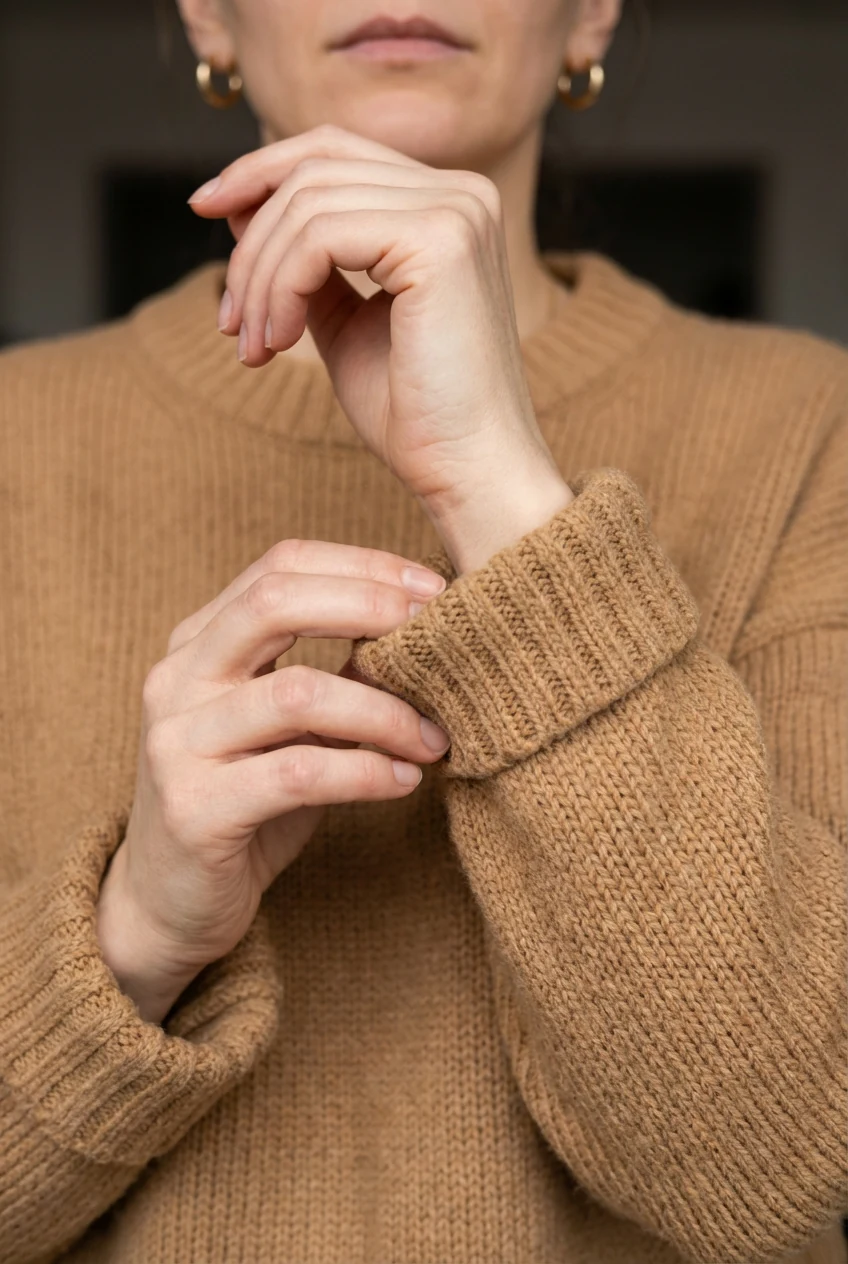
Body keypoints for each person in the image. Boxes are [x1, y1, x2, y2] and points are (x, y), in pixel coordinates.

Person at [0, 0, 845, 1260]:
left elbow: (775, 1170)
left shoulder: (808, 426)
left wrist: (495, 487)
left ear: (589, 15)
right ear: (207, 16)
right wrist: (134, 936)